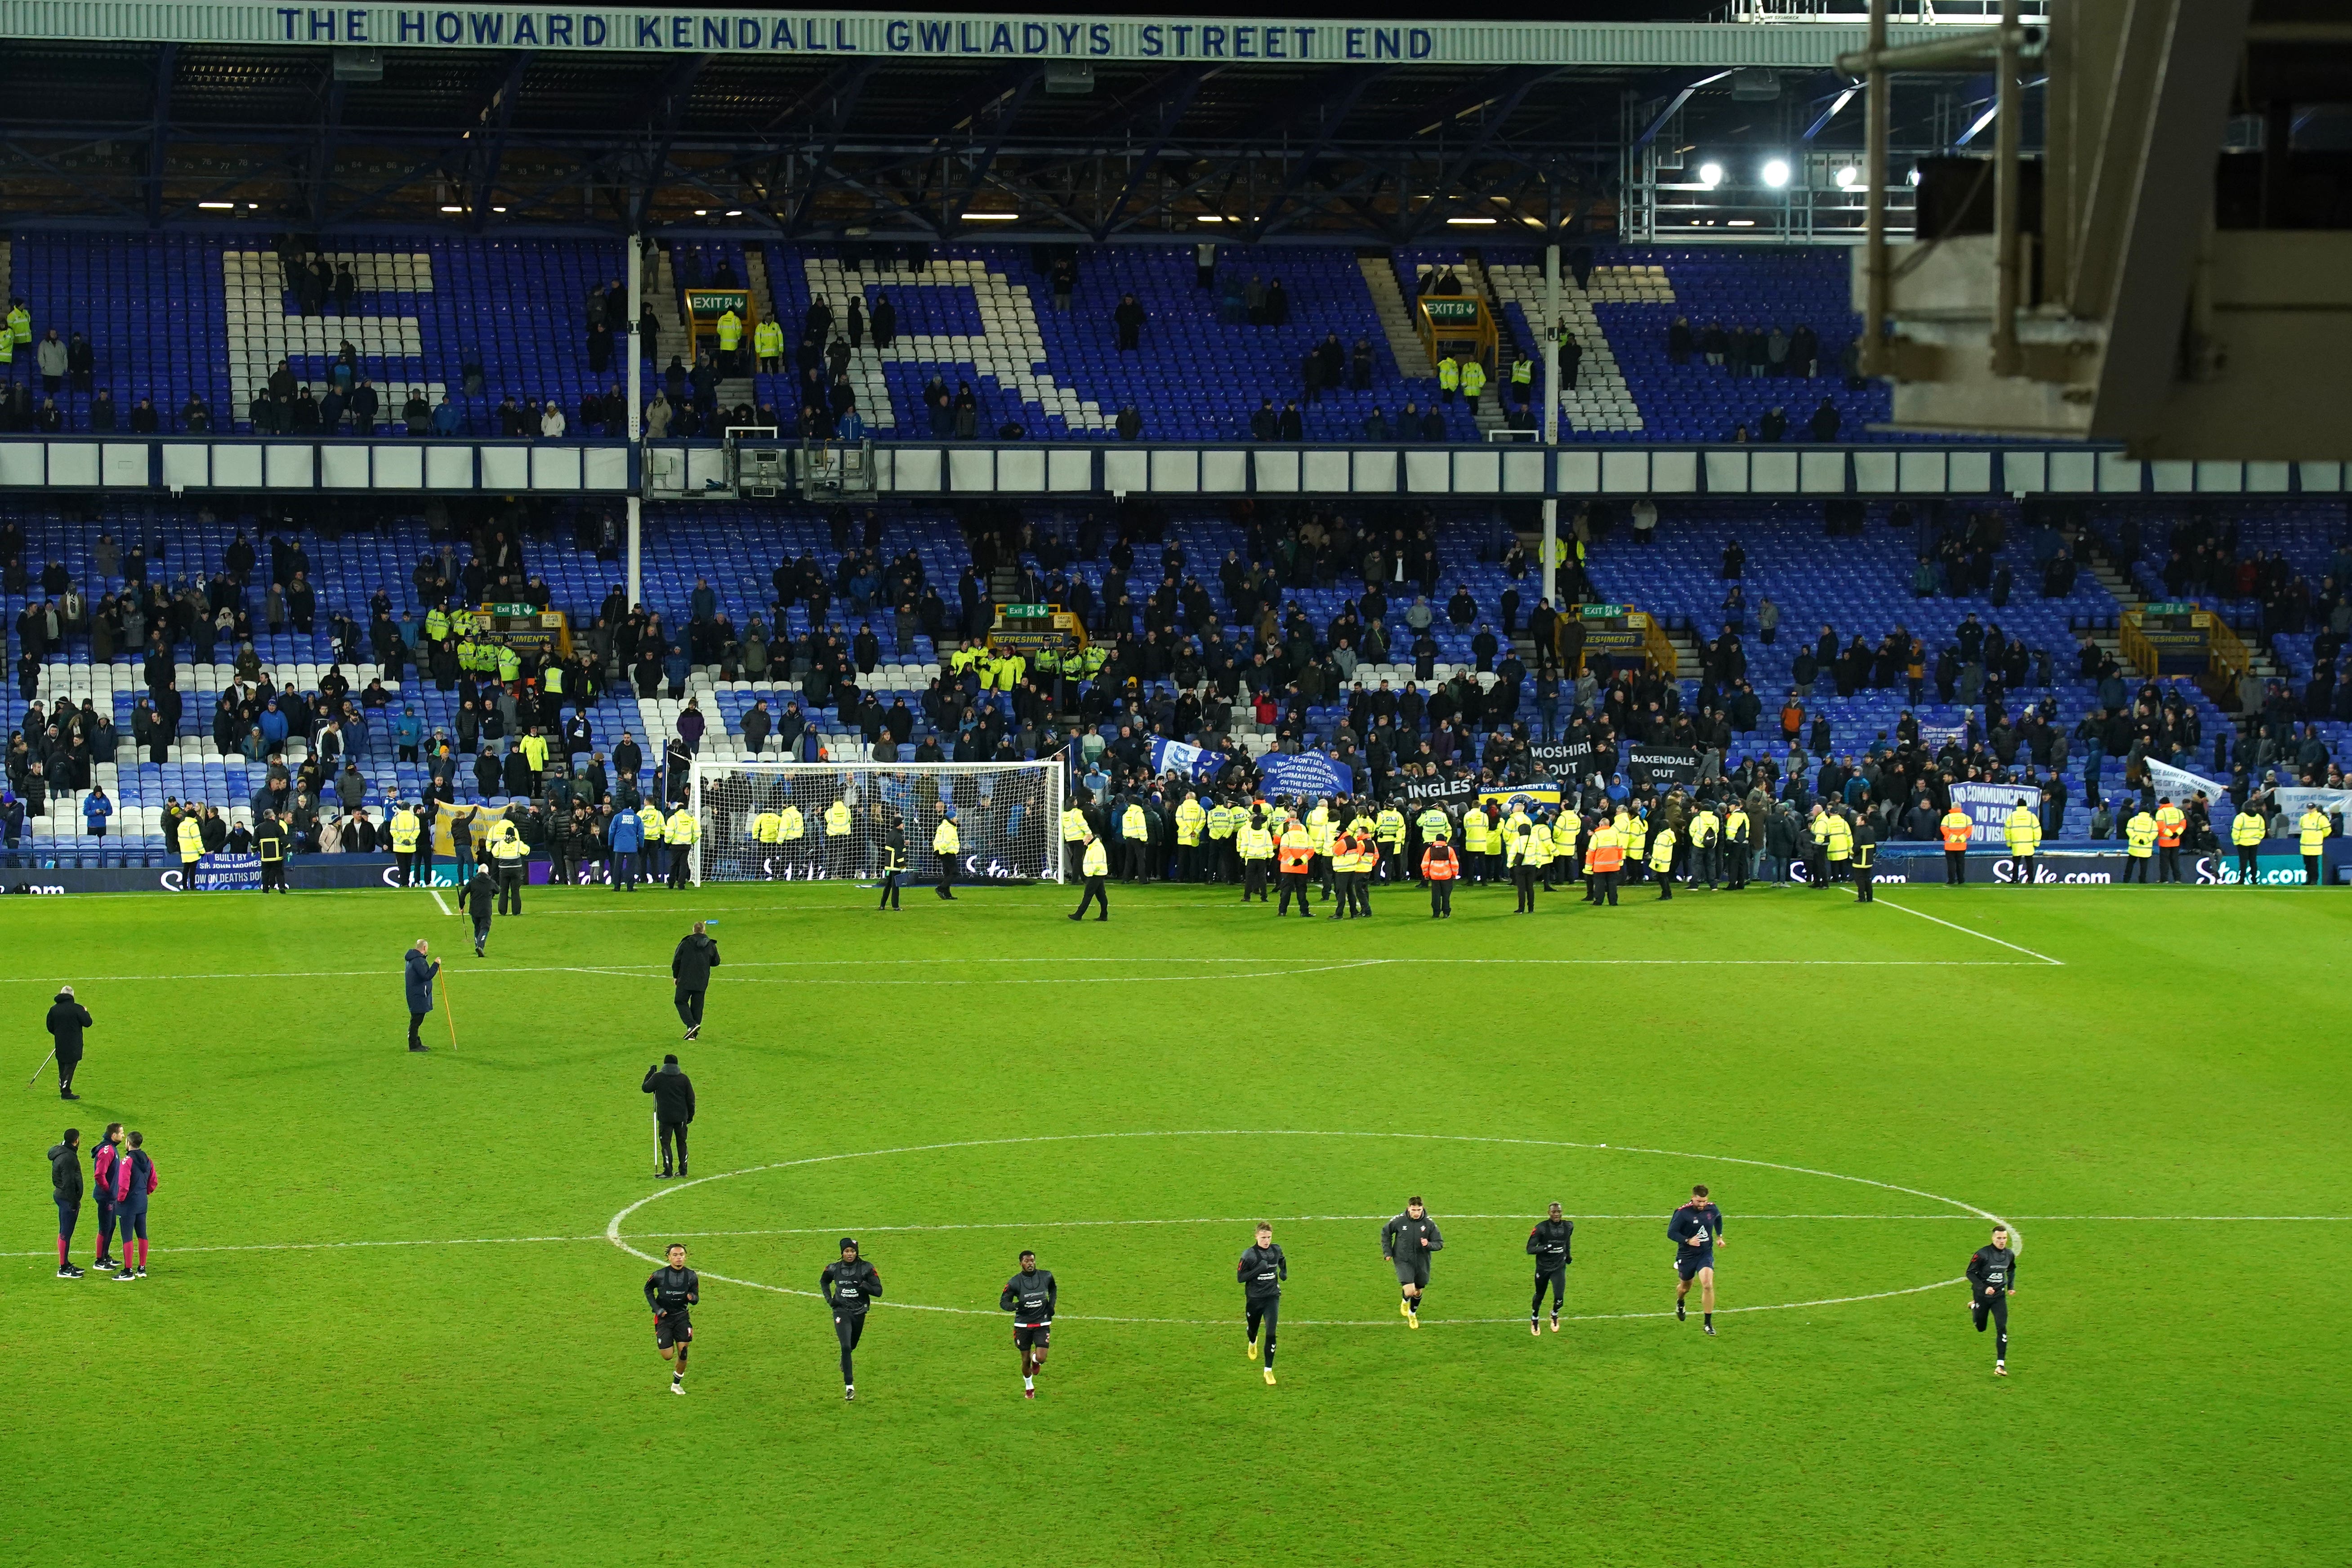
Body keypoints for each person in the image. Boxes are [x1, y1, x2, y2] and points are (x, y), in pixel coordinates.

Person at [821, 1237, 882, 1400]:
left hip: (859, 1312)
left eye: (853, 1251)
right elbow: (824, 1281)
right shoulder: (834, 1269)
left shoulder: (866, 1268)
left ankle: (845, 1359)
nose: (850, 1254)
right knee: (846, 1346)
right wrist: (830, 1300)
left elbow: (879, 1291)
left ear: (857, 1253)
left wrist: (863, 1285)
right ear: (842, 1253)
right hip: (841, 1311)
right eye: (847, 1251)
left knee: (852, 1345)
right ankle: (849, 1387)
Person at [999, 1249, 1058, 1399]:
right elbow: (1004, 1302)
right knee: (1024, 1360)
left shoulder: (1046, 1276)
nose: (1030, 1264)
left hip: (1042, 1322)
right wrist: (1016, 1306)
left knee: (1042, 1358)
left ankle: (1036, 1360)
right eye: (1027, 1261)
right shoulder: (1015, 1282)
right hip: (1023, 1326)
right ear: (1021, 1264)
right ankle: (1029, 1386)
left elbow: (1053, 1288)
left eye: (1032, 1260)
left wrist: (1051, 1306)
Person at [1668, 1184, 1725, 1334]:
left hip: (1705, 1254)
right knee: (1685, 1288)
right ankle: (1680, 1301)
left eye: (1704, 1201)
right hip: (1687, 1255)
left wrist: (1719, 1236)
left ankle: (1708, 1324)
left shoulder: (1712, 1209)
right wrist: (1688, 1240)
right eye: (1699, 1201)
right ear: (1693, 1198)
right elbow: (1671, 1233)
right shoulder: (1682, 1213)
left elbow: (1718, 1218)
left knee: (1707, 1284)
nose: (1702, 1204)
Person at [645, 1242, 700, 1394]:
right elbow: (648, 1289)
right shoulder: (660, 1275)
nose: (679, 1258)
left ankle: (676, 1384)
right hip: (664, 1319)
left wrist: (692, 1297)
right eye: (675, 1255)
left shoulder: (691, 1276)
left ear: (685, 1257)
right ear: (669, 1257)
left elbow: (696, 1299)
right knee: (668, 1356)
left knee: (683, 1352)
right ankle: (668, 1340)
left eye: (681, 1255)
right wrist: (657, 1309)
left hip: (682, 1317)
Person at [1380, 1196, 1442, 1328]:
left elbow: (1439, 1243)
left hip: (1422, 1261)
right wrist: (1388, 1252)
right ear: (1409, 1208)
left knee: (1418, 1291)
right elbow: (1386, 1233)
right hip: (1403, 1259)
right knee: (1409, 1291)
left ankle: (1412, 1314)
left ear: (1423, 1208)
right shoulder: (1399, 1220)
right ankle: (1405, 1299)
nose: (1416, 1213)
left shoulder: (1429, 1224)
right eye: (1414, 1210)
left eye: (1419, 1210)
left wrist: (1429, 1245)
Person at [1966, 1224, 2018, 1376]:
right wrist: (1983, 1288)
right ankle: (1975, 1306)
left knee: (2002, 1327)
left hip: (1999, 1297)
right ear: (1993, 1238)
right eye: (1999, 1238)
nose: (2002, 1241)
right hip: (1982, 1296)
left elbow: (2012, 1269)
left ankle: (2000, 1365)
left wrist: (2011, 1287)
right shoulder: (1983, 1254)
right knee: (1981, 1328)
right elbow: (1970, 1273)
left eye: (2004, 1238)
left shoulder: (2009, 1254)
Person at [1238, 1220, 1285, 1386]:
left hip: (1272, 1297)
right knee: (1253, 1330)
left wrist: (1284, 1273)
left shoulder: (1276, 1250)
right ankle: (1253, 1341)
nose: (1267, 1241)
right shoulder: (1249, 1255)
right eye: (1264, 1237)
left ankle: (1268, 1370)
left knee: (1271, 1332)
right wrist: (1259, 1269)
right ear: (1256, 1236)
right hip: (1255, 1299)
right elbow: (1241, 1278)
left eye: (1269, 1237)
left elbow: (1282, 1259)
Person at [108, 1129, 156, 1279]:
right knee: (142, 1234)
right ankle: (142, 1268)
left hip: (128, 1204)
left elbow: (123, 1185)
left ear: (129, 1143)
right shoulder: (148, 1159)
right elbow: (153, 1181)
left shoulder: (127, 1161)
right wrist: (144, 1193)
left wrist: (120, 1199)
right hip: (142, 1202)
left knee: (127, 1236)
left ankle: (128, 1271)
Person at [643, 1054, 695, 1179]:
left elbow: (646, 1088)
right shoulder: (684, 1079)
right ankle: (683, 1170)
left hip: (666, 1118)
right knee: (682, 1143)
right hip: (682, 1117)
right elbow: (691, 1099)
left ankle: (668, 1171)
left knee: (666, 1143)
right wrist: (690, 1115)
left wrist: (650, 1073)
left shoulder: (658, 1078)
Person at [1526, 1201, 1574, 1336]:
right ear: (1549, 1213)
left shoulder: (1568, 1226)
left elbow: (1566, 1241)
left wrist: (1568, 1255)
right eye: (1554, 1212)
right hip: (1543, 1268)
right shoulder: (1541, 1228)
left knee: (1560, 1298)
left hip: (1558, 1267)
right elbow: (1530, 1249)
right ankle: (1535, 1318)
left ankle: (1554, 1314)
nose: (1557, 1214)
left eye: (1559, 1212)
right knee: (1539, 1296)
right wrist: (1546, 1248)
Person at [671, 919, 719, 1041]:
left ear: (694, 931)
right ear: (704, 931)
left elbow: (676, 961)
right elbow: (716, 962)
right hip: (702, 980)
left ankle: (691, 1025)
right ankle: (693, 1034)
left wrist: (676, 976)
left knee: (680, 1001)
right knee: (697, 1007)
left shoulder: (686, 943)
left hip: (686, 979)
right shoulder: (711, 945)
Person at [89, 1123, 125, 1274]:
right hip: (106, 1197)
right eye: (121, 1133)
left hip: (111, 1196)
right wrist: (109, 1192)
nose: (123, 1136)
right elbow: (99, 1175)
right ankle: (99, 1260)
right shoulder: (107, 1151)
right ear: (113, 1135)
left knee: (111, 1226)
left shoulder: (112, 1149)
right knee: (105, 1227)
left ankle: (105, 1255)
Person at [44, 984, 90, 1101]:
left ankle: (63, 1087)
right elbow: (88, 1022)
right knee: (70, 1066)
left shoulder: (54, 1009)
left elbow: (50, 1026)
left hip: (60, 1042)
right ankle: (65, 1091)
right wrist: (86, 1012)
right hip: (74, 1043)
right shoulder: (78, 1009)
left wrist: (59, 1034)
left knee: (62, 1065)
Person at [49, 1126, 83, 1278]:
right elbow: (69, 1182)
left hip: (61, 1195)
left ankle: (66, 1263)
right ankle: (63, 1268)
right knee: (66, 1233)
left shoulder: (60, 1152)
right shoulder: (69, 1158)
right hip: (67, 1198)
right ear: (76, 1141)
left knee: (65, 1231)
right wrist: (74, 1202)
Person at [403, 939, 439, 1052]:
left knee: (417, 1019)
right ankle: (414, 1045)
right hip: (418, 995)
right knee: (416, 1020)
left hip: (416, 994)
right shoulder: (418, 961)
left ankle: (416, 1043)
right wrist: (436, 965)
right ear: (424, 948)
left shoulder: (413, 959)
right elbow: (426, 976)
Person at [1070, 827, 1109, 920]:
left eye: (1085, 841)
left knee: (1088, 894)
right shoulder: (1093, 847)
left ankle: (1079, 915)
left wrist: (1091, 873)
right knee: (1101, 896)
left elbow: (1098, 864)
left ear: (1089, 839)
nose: (1084, 843)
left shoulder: (1096, 848)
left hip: (1096, 875)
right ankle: (1104, 915)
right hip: (1098, 874)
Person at [458, 864, 496, 956]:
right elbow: (498, 890)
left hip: (474, 910)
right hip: (486, 910)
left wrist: (462, 906)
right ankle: (480, 946)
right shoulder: (490, 882)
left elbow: (463, 892)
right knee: (485, 927)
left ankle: (477, 945)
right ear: (487, 872)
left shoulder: (473, 881)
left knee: (477, 927)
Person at [1420, 826, 1457, 918]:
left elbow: (1424, 864)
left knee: (1436, 896)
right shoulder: (1449, 850)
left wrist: (1426, 875)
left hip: (1434, 876)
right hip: (1447, 876)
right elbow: (1455, 864)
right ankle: (1446, 913)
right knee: (1446, 896)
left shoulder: (1430, 850)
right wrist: (1454, 875)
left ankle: (1436, 913)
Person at [2003, 799, 2041, 886]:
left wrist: (2009, 843)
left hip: (2017, 844)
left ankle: (2015, 879)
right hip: (2029, 843)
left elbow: (2007, 831)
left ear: (2018, 806)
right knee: (2029, 862)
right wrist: (2036, 843)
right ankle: (2031, 879)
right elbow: (2037, 830)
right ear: (2026, 806)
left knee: (2016, 862)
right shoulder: (2031, 816)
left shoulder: (2012, 816)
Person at [2231, 799, 2267, 886]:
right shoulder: (2259, 817)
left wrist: (2236, 842)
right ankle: (2254, 880)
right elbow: (2263, 831)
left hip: (2242, 843)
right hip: (2254, 843)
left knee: (2243, 862)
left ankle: (2242, 880)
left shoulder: (2241, 817)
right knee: (2253, 862)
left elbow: (2236, 831)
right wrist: (2258, 840)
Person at [2153, 795, 2187, 884]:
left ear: (2162, 804)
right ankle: (2178, 879)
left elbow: (2161, 827)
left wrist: (2170, 834)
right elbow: (2183, 825)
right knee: (2175, 861)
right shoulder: (2179, 812)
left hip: (2165, 842)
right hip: (2176, 841)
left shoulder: (2161, 812)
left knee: (2164, 862)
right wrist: (2176, 834)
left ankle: (2164, 879)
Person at [2298, 801, 2331, 887]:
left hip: (2315, 846)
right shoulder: (2304, 818)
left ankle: (2314, 880)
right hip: (2305, 846)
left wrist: (2319, 838)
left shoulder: (2321, 818)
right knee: (2307, 864)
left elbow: (2327, 831)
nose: (2310, 810)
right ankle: (2309, 880)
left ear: (2315, 809)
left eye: (2312, 809)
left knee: (2314, 865)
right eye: (2309, 809)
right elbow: (2302, 827)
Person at [878, 811, 905, 910]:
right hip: (895, 866)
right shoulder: (898, 837)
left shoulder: (890, 834)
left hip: (888, 865)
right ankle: (896, 906)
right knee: (896, 886)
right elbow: (899, 853)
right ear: (899, 825)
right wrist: (903, 866)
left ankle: (882, 905)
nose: (903, 825)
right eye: (902, 823)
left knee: (888, 886)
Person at [1940, 801, 1972, 885]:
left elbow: (1944, 829)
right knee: (1961, 863)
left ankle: (1951, 880)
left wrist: (1953, 838)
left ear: (1952, 807)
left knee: (1951, 863)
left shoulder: (1947, 818)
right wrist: (1961, 838)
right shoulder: (1967, 818)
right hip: (1962, 845)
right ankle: (1961, 880)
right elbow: (1969, 830)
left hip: (1950, 845)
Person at [2122, 804, 2156, 883]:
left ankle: (2126, 880)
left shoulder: (2133, 820)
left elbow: (2129, 830)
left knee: (2130, 864)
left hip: (2134, 847)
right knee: (2144, 866)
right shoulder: (2152, 822)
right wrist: (2145, 841)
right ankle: (2142, 880)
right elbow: (2154, 833)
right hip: (2146, 848)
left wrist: (2137, 839)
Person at [933, 805, 960, 899]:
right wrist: (943, 851)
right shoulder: (950, 828)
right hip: (947, 852)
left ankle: (947, 894)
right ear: (952, 818)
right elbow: (946, 841)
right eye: (955, 817)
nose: (957, 819)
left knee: (947, 873)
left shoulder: (942, 826)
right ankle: (941, 888)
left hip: (941, 851)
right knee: (955, 872)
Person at [1850, 810, 1878, 902]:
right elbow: (1875, 845)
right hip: (1869, 859)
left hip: (1860, 859)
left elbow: (1857, 846)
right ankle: (1870, 897)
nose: (1856, 822)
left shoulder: (1859, 831)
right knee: (1867, 878)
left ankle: (1861, 897)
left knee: (1860, 879)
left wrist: (1854, 852)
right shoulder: (1871, 830)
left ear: (1863, 822)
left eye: (1858, 820)